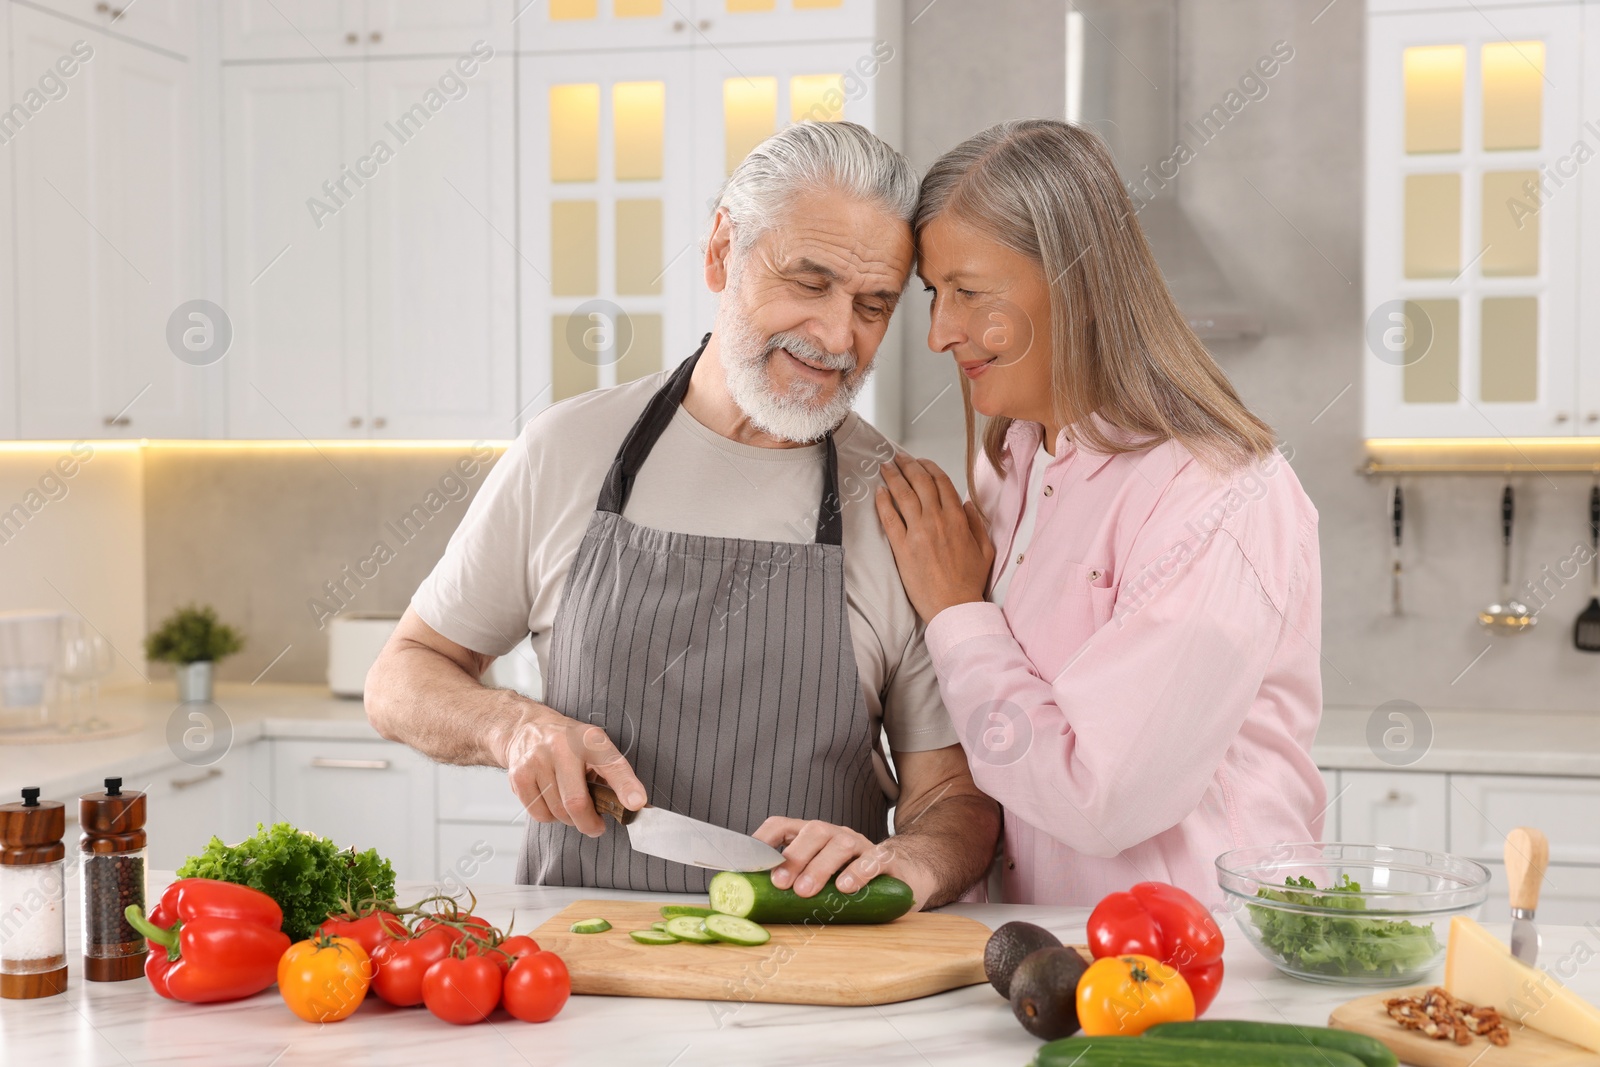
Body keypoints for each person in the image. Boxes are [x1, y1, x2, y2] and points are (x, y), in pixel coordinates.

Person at [366, 121, 998, 908]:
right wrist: (509, 725)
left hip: (813, 986)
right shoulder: (567, 449)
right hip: (575, 984)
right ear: (719, 251)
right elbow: (401, 675)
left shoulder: (904, 509)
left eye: (873, 305)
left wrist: (912, 859)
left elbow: (957, 800)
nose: (838, 335)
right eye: (808, 282)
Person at [874, 119, 1325, 905]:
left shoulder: (1219, 492)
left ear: (1076, 281)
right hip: (1045, 960)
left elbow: (1101, 796)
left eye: (970, 293)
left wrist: (956, 611)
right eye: (934, 295)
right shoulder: (1008, 466)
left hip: (1207, 968)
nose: (941, 332)